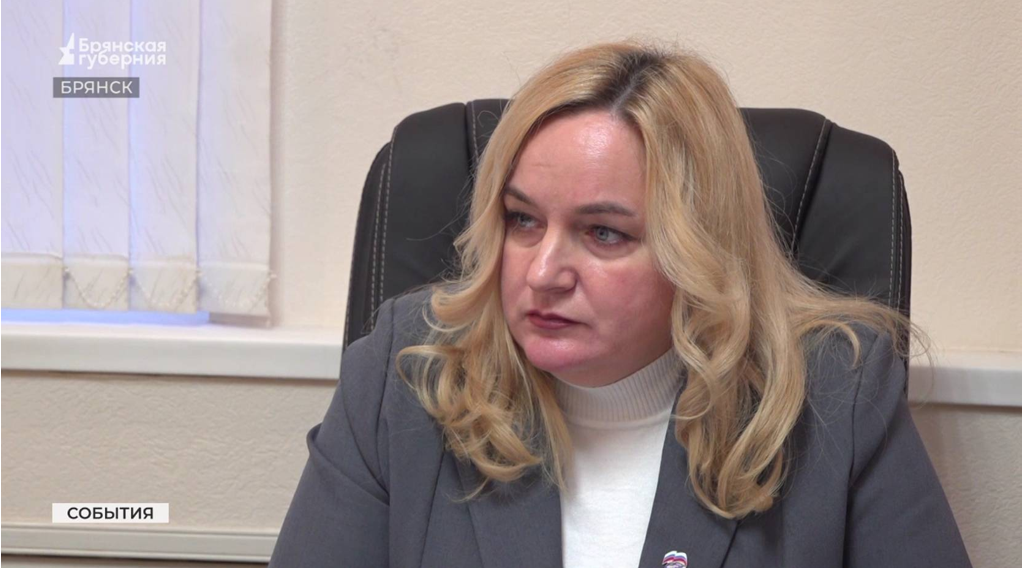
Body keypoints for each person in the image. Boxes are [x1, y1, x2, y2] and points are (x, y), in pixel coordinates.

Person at [269, 40, 972, 567]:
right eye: (522, 220)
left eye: (604, 233)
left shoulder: (836, 394)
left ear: (701, 250)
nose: (543, 272)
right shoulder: (407, 370)